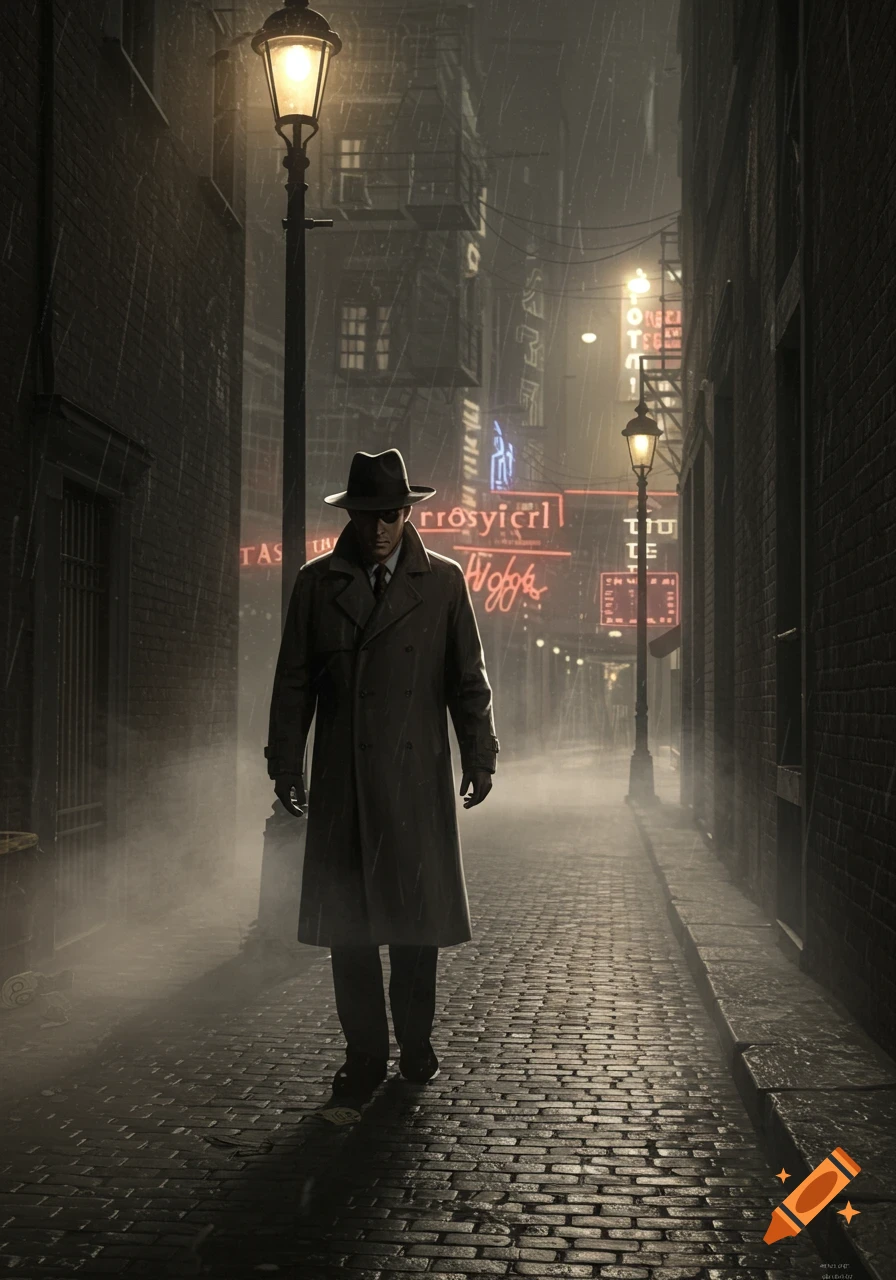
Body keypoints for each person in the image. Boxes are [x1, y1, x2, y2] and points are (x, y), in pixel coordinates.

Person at [266, 449, 498, 1099]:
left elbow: (467, 682)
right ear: (352, 514)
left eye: (389, 515)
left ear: (407, 512)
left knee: (414, 929)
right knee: (352, 932)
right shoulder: (317, 585)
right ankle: (364, 1054)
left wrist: (480, 755)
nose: (377, 529)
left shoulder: (444, 584)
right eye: (367, 515)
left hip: (414, 782)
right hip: (344, 783)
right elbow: (293, 684)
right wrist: (285, 761)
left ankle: (416, 1043)